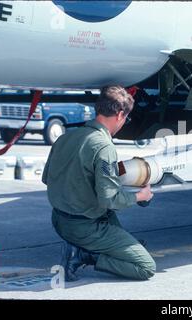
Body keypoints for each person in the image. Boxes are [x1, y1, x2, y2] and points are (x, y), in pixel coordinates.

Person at [42, 85, 156, 281]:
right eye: (126, 119)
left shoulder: (65, 137)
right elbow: (110, 199)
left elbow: (47, 178)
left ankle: (110, 247)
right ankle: (84, 255)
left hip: (59, 220)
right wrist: (140, 196)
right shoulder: (104, 147)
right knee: (145, 267)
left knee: (124, 234)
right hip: (84, 227)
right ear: (120, 115)